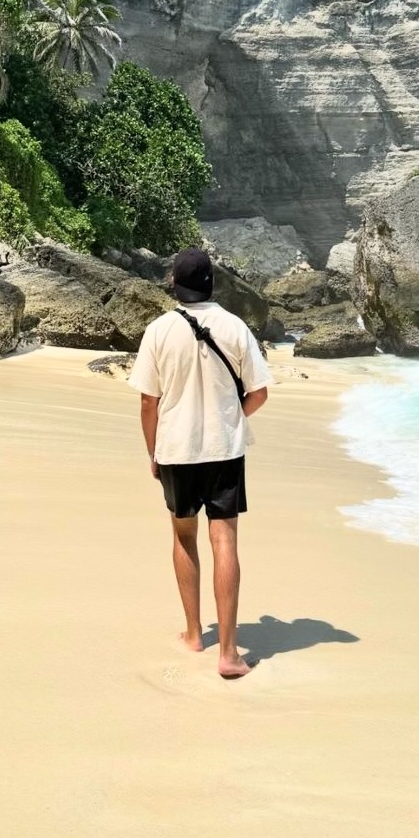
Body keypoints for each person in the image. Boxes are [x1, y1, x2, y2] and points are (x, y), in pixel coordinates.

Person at [128, 249, 272, 679]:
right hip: (224, 450)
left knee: (184, 535)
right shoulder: (235, 326)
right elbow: (260, 393)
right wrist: (231, 419)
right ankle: (228, 653)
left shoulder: (158, 330)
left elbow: (148, 402)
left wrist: (153, 452)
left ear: (174, 283)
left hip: (176, 448)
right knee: (224, 540)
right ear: (212, 283)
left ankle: (194, 634)